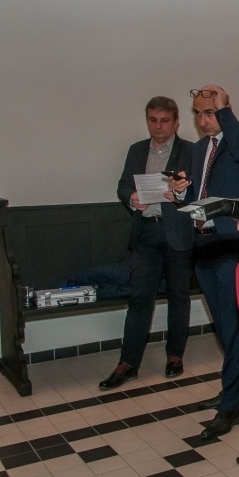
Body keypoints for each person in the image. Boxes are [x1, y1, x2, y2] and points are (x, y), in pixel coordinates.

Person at [182, 85, 239, 440]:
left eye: (209, 112)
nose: (203, 120)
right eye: (198, 113)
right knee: (224, 326)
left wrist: (225, 108)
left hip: (230, 246)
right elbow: (199, 192)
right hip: (203, 245)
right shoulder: (198, 149)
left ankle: (230, 407)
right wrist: (180, 190)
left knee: (231, 326)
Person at [100, 96, 194, 390]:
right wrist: (131, 198)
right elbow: (123, 185)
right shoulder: (137, 150)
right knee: (140, 298)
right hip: (146, 232)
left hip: (177, 232)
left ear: (176, 121)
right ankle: (128, 363)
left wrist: (180, 194)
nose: (158, 126)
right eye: (153, 120)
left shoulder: (190, 151)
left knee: (179, 296)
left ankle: (175, 355)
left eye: (165, 120)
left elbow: (200, 192)